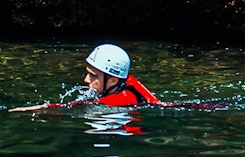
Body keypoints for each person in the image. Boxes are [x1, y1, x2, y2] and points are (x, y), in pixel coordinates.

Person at [9, 43, 160, 111]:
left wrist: (45, 108)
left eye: (93, 75)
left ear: (113, 80)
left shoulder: (120, 99)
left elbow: (74, 107)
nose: (86, 80)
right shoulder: (124, 82)